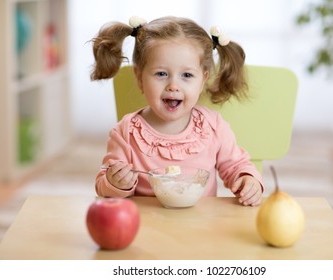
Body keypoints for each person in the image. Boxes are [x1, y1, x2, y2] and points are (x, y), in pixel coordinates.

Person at [90, 16, 263, 206]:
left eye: (187, 75)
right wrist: (116, 183)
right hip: (147, 226)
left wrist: (248, 179)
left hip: (202, 226)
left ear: (202, 80)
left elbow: (236, 166)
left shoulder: (214, 127)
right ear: (140, 78)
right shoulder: (126, 132)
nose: (173, 86)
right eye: (161, 74)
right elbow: (103, 186)